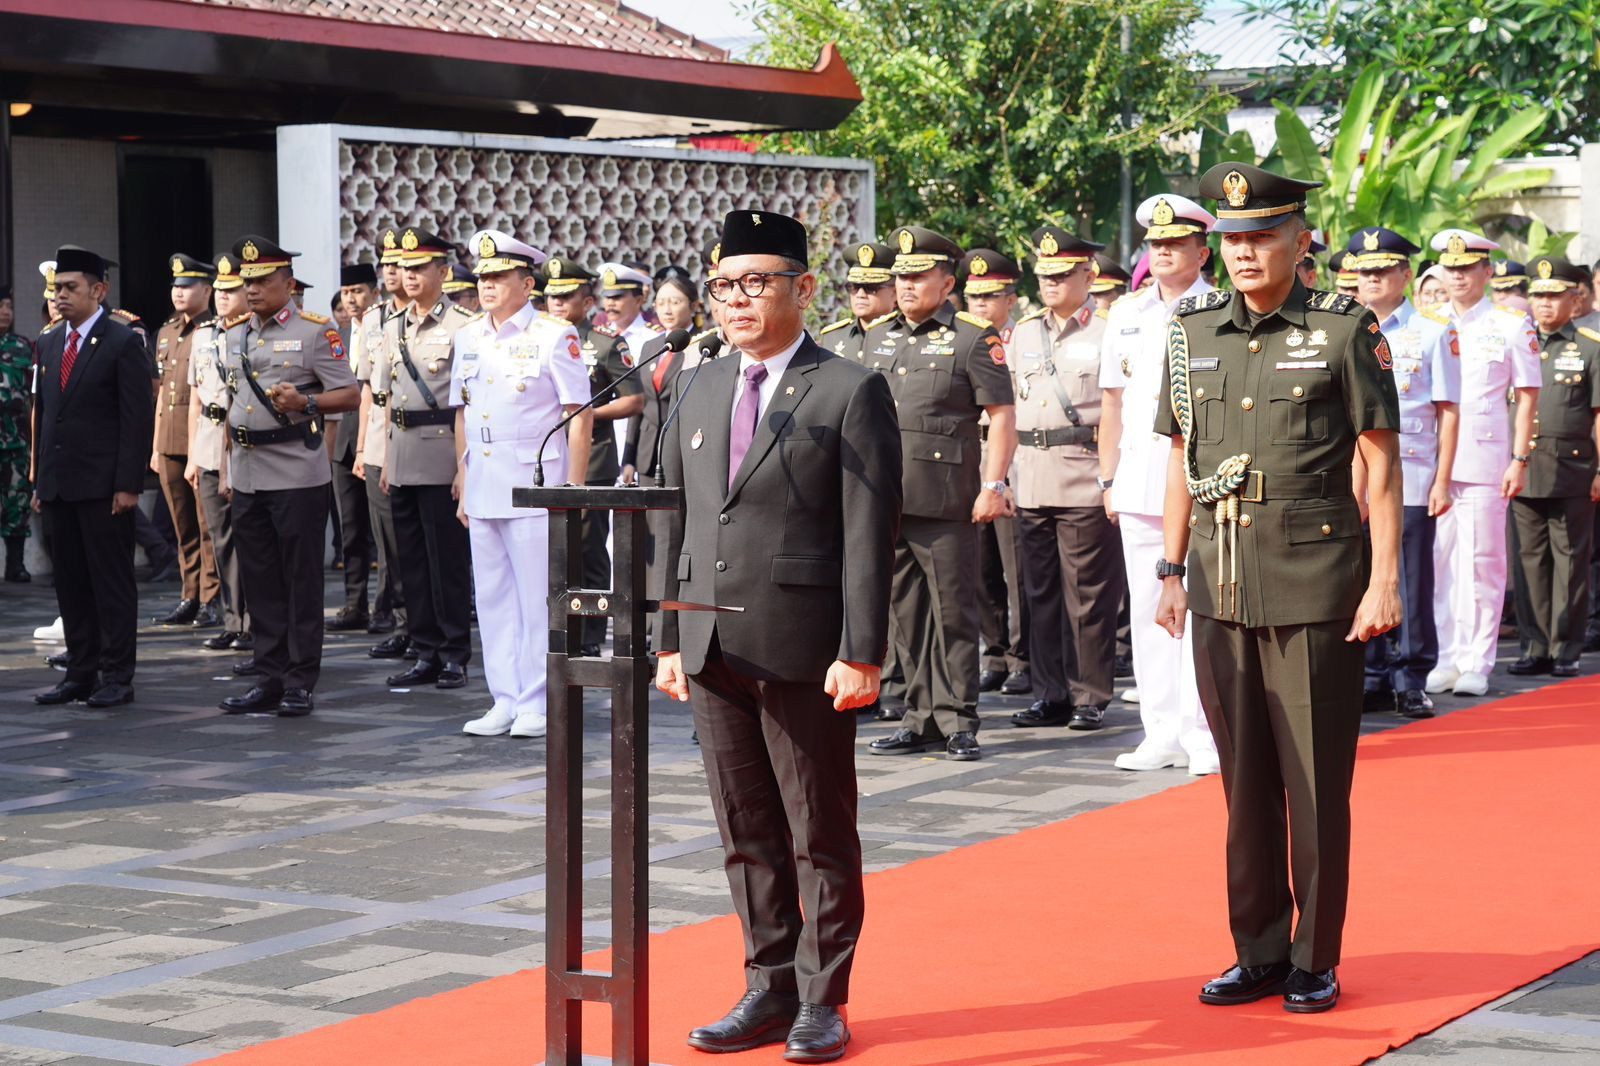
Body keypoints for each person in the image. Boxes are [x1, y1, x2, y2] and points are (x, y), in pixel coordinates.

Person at [1154, 162, 1402, 1014]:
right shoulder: (1191, 334)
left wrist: (1385, 580)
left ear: (1302, 242)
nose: (1245, 252)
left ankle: (1313, 955)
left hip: (1317, 582)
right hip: (1219, 584)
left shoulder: (1343, 328)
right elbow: (1184, 461)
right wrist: (1167, 568)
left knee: (1315, 782)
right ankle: (1256, 948)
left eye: (1263, 235)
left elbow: (1381, 465)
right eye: (1232, 240)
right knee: (1243, 778)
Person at [655, 209, 901, 1063]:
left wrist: (861, 649)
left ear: (802, 288)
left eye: (757, 283)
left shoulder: (847, 388)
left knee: (816, 831)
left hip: (805, 646)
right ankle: (767, 985)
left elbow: (870, 532)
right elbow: (674, 521)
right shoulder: (696, 383)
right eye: (724, 286)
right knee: (745, 828)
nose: (737, 301)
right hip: (709, 645)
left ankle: (822, 998)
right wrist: (666, 636)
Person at [865, 225, 1016, 762]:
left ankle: (958, 719)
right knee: (906, 613)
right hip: (888, 498)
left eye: (918, 276)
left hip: (949, 498)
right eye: (900, 277)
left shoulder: (974, 337)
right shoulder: (878, 335)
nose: (906, 285)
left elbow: (1001, 417)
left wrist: (993, 485)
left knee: (953, 613)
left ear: (947, 281)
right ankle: (918, 716)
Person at [1098, 193, 1220, 773]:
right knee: (1148, 608)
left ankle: (1203, 735)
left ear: (1202, 249)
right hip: (1140, 480)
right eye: (1157, 244)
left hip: (1201, 482)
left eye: (1177, 243)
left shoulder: (1222, 308)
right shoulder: (1125, 313)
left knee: (1199, 609)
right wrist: (1108, 478)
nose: (1165, 252)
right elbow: (1113, 404)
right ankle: (1161, 732)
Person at [453, 230, 591, 737]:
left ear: (527, 282)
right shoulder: (469, 336)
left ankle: (537, 699)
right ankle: (504, 698)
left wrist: (573, 488)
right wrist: (463, 477)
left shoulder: (555, 335)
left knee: (538, 598)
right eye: (482, 277)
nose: (486, 285)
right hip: (486, 481)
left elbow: (579, 412)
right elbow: (463, 414)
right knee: (492, 598)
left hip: (537, 483)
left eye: (498, 277)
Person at [217, 235, 359, 716]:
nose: (252, 290)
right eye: (246, 281)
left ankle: (299, 679)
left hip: (297, 470)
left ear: (287, 282)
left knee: (299, 580)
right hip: (248, 471)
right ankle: (269, 675)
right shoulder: (236, 334)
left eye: (261, 281)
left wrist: (307, 402)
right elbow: (232, 405)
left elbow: (349, 394)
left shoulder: (317, 331)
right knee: (259, 580)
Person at [1003, 225, 1122, 731]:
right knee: (1039, 595)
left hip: (1082, 474)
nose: (1050, 283)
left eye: (1061, 274)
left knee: (1088, 596)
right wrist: (1001, 477)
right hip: (1030, 477)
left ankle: (1089, 693)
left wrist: (1110, 477)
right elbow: (1007, 408)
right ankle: (1048, 692)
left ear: (1088, 275)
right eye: (1044, 275)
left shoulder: (1108, 330)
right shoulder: (1024, 334)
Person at [31, 245, 155, 708]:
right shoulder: (48, 342)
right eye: (57, 289)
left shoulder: (123, 342)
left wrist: (128, 484)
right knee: (70, 582)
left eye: (70, 288)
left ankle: (117, 675)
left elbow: (136, 420)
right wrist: (41, 481)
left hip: (104, 488)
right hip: (61, 485)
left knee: (111, 583)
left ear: (98, 291)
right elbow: (46, 415)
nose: (60, 296)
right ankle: (80, 671)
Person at [1343, 229, 1460, 719]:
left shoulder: (1432, 332)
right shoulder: (1345, 329)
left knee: (1410, 581)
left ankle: (1412, 677)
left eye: (1382, 270)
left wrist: (1442, 479)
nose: (1371, 278)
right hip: (1353, 478)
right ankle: (1370, 674)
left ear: (1405, 275)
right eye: (1364, 270)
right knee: (1362, 575)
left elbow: (1448, 410)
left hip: (1411, 475)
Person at [1423, 228, 1539, 698]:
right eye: (1451, 268)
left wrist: (1519, 458)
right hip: (1431, 458)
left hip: (1485, 456)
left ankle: (1477, 659)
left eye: (1467, 268)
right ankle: (1447, 656)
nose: (1458, 276)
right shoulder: (1430, 322)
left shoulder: (1511, 325)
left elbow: (1528, 398)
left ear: (1487, 272)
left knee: (1484, 561)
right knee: (1440, 561)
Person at [375, 227, 478, 691]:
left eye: (420, 268)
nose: (410, 276)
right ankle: (424, 650)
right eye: (405, 268)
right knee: (410, 562)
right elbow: (382, 398)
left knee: (447, 562)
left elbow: (469, 406)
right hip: (401, 454)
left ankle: (455, 652)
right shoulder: (391, 326)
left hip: (441, 454)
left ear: (444, 271)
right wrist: (381, 459)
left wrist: (463, 467)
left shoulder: (463, 326)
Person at [544, 255, 641, 656]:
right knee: (554, 554)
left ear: (586, 300)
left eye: (566, 297)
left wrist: (583, 413)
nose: (557, 304)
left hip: (595, 457)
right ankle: (558, 631)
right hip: (549, 455)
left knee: (588, 550)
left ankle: (589, 637)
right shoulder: (538, 339)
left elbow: (635, 399)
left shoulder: (603, 343)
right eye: (551, 297)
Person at [1508, 256, 1600, 678]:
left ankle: (1566, 648)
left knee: (1570, 562)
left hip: (1572, 470)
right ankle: (1535, 646)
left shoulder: (1588, 345)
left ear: (1574, 297)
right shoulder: (1514, 340)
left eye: (1554, 295)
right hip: (1523, 469)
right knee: (1528, 561)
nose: (1545, 304)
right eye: (1538, 295)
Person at [961, 248, 1031, 698]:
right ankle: (995, 653)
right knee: (981, 566)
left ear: (1011, 299)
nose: (981, 306)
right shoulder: (964, 339)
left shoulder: (1024, 339)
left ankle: (1024, 658)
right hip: (975, 455)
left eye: (991, 297)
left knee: (1016, 568)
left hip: (1016, 458)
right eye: (974, 298)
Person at [150, 253, 222, 628]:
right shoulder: (166, 332)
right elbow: (162, 392)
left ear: (206, 290)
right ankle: (189, 595)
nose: (179, 292)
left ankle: (212, 598)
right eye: (175, 286)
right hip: (170, 441)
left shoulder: (216, 330)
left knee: (207, 525)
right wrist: (154, 446)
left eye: (187, 286)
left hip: (202, 439)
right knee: (182, 526)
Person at [185, 251, 252, 653]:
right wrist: (193, 455)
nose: (225, 297)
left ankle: (254, 622)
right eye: (221, 290)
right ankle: (232, 620)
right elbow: (195, 399)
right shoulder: (204, 334)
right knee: (220, 539)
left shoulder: (252, 333)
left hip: (243, 444)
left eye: (234, 290)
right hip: (209, 444)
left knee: (250, 539)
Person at [355, 228, 410, 655]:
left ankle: (418, 623)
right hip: (376, 433)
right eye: (387, 264)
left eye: (400, 263)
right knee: (386, 538)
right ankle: (400, 620)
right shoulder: (372, 318)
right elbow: (365, 391)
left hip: (417, 435)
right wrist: (359, 449)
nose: (393, 270)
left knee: (415, 538)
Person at [328, 262, 379, 631]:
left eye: (359, 291)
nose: (353, 300)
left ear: (374, 293)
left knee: (383, 532)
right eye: (347, 293)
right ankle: (354, 603)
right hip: (343, 445)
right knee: (350, 530)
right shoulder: (336, 338)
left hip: (376, 444)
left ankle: (388, 606)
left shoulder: (384, 331)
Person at [0, 287, 32, 583]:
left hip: (17, 443)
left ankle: (16, 565)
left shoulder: (22, 346)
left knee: (17, 501)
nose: (5, 311)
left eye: (9, 306)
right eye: (1, 306)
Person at [818, 241, 896, 362]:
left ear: (895, 292)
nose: (860, 294)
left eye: (871, 288)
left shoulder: (906, 338)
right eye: (854, 287)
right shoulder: (831, 337)